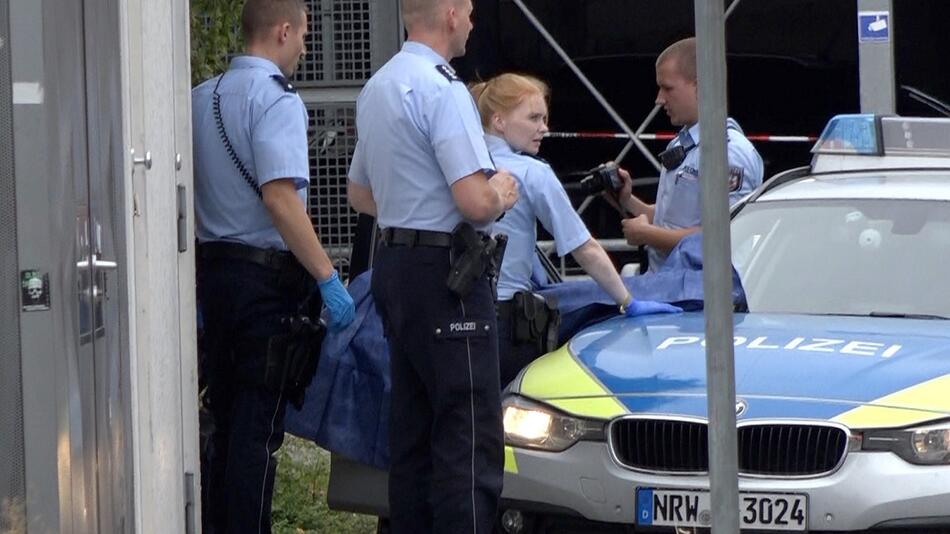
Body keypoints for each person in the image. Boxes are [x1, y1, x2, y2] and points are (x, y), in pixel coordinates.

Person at [346, 0, 519, 532]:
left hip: (395, 263)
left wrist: (410, 206)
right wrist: (502, 193)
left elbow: (358, 193)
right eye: (467, 9)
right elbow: (472, 201)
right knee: (467, 436)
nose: (472, 20)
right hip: (447, 273)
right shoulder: (444, 90)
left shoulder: (379, 86)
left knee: (413, 433)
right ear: (447, 13)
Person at [191, 1, 355, 532]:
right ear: (284, 30)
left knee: (224, 417)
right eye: (306, 34)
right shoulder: (277, 101)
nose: (306, 46)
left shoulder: (199, 98)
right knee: (258, 432)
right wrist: (328, 278)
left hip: (212, 276)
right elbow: (280, 198)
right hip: (265, 285)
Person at [471, 73, 682, 386]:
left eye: (545, 118)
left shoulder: (459, 165)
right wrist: (627, 300)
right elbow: (584, 247)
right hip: (501, 320)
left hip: (452, 313)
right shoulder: (532, 172)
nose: (544, 127)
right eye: (533, 118)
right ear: (499, 121)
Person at [620, 37, 764, 272]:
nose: (659, 99)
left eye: (667, 88)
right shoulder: (684, 142)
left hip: (701, 295)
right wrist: (626, 200)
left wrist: (647, 235)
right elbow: (676, 221)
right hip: (672, 287)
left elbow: (723, 235)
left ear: (700, 87)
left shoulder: (727, 152)